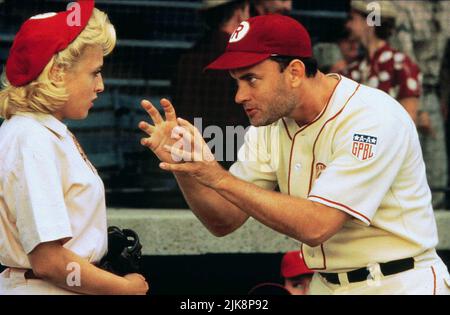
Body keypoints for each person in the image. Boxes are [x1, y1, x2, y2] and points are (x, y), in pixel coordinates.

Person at [139, 14, 450, 294]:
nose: (239, 96)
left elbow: (317, 225)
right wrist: (185, 166)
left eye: (251, 79)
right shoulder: (269, 125)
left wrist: (218, 176)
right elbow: (223, 221)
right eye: (236, 81)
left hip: (398, 283)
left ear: (295, 72)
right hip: (325, 284)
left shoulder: (372, 117)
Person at [0, 0, 148, 295]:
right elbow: (50, 262)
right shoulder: (33, 138)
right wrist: (124, 288)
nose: (101, 85)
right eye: (95, 72)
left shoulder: (41, 131)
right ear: (56, 73)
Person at [173, 0, 250, 168]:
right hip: (233, 152)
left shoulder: (188, 58)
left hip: (191, 150)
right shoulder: (242, 59)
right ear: (239, 14)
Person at [391, 0, 450, 208]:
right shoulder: (402, 5)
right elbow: (407, 60)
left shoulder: (445, 7)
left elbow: (446, 60)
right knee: (409, 167)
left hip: (436, 93)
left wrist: (445, 95)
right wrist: (421, 107)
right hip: (410, 94)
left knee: (437, 172)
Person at [344, 0, 421, 124]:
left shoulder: (401, 64)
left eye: (352, 19)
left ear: (370, 22)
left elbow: (408, 120)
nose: (348, 25)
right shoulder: (354, 69)